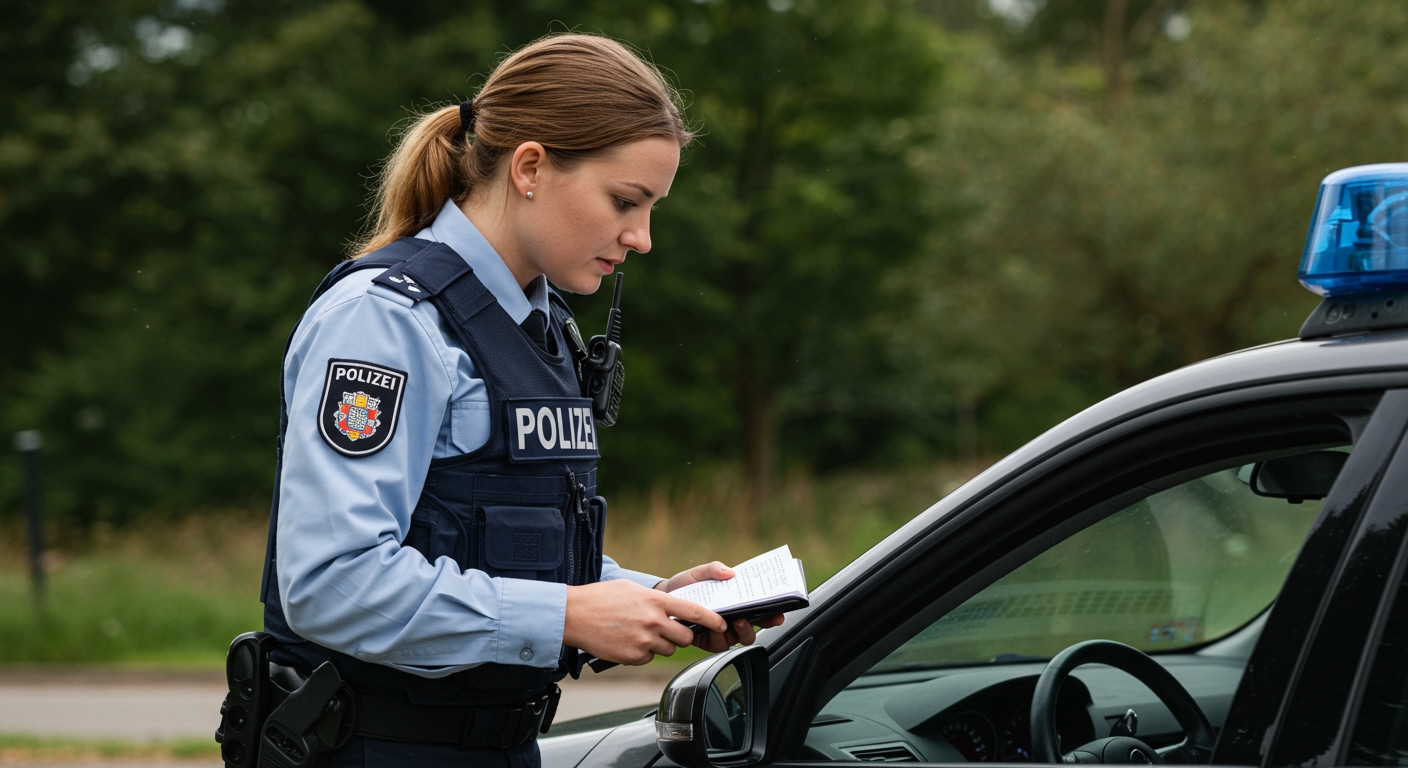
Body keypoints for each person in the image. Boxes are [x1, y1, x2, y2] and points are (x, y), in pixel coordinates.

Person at [256, 33, 783, 767]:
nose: (642, 237)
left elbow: (500, 543)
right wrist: (569, 615)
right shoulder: (384, 320)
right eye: (626, 201)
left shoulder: (539, 325)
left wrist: (650, 598)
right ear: (530, 167)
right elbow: (328, 582)